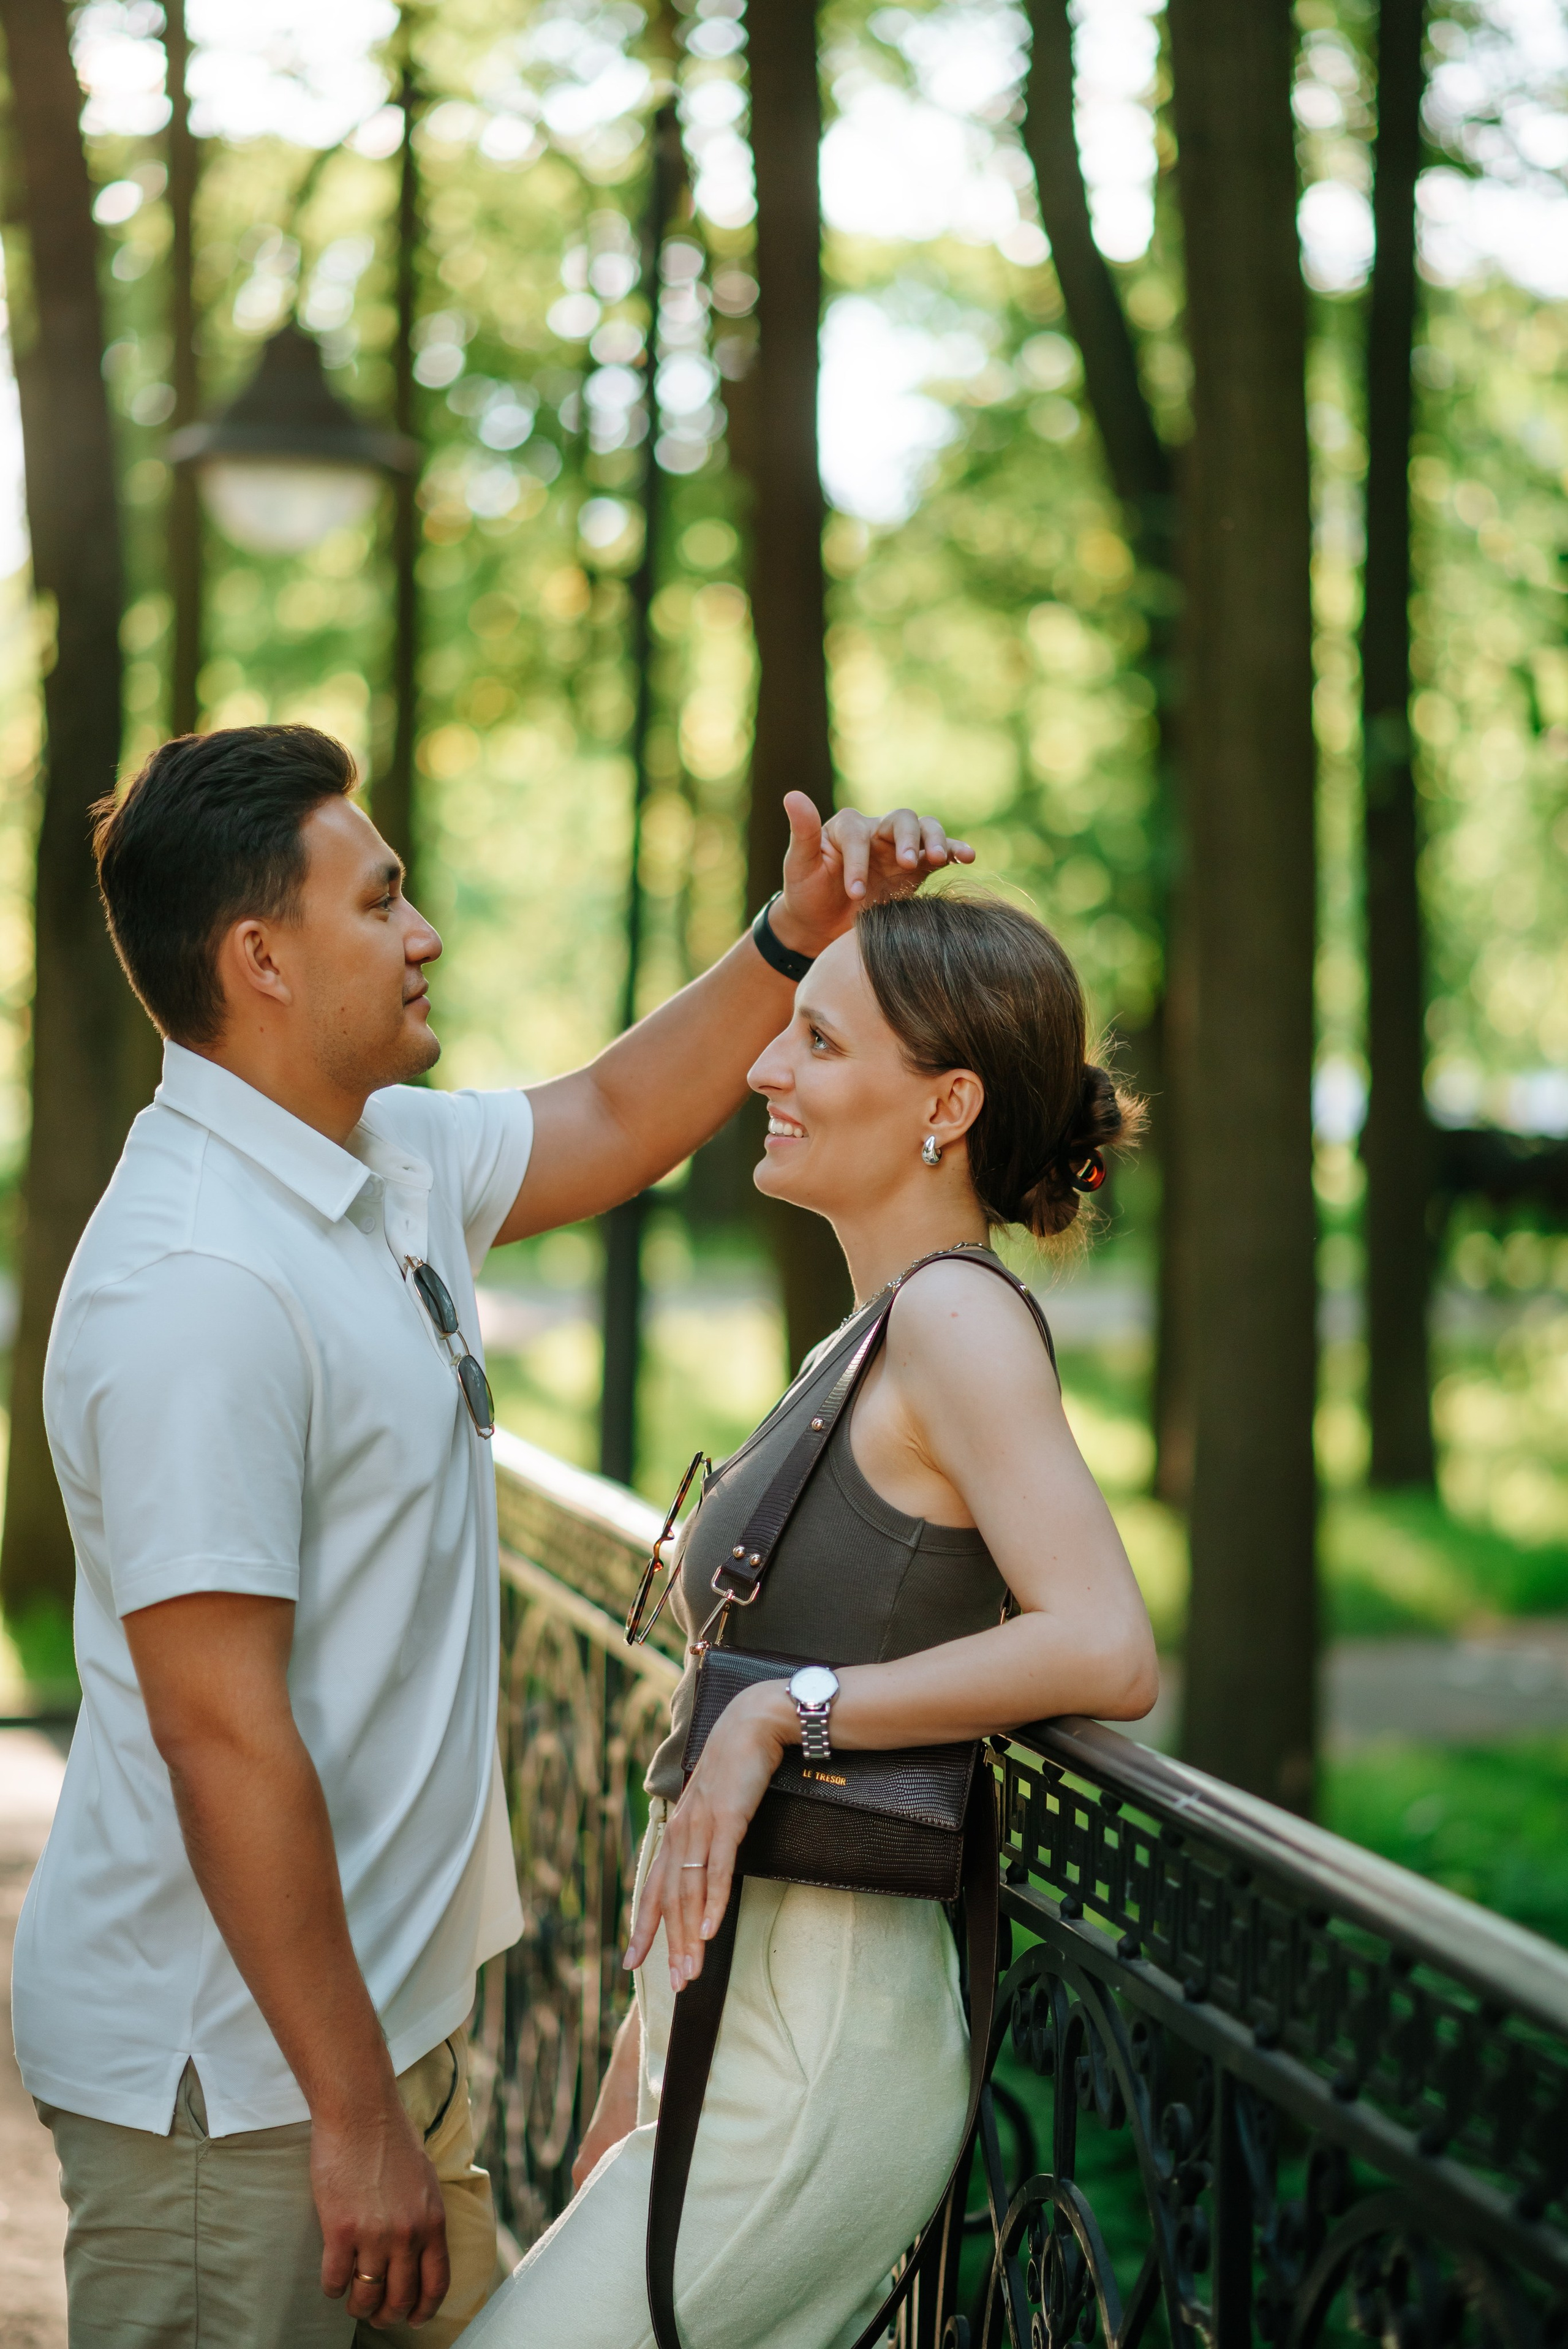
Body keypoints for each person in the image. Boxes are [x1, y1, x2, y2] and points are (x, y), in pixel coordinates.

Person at [10, 721, 971, 2349]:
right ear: (260, 956)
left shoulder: (376, 1161)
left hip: (376, 2053)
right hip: (236, 2099)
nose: (424, 930)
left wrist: (788, 936)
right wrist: (350, 2115)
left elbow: (612, 1105)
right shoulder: (197, 1282)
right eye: (380, 902)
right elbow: (221, 1732)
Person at [456, 889, 1160, 2349]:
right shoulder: (865, 1331)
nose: (764, 1070)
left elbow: (1102, 1642)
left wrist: (797, 1709)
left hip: (819, 2055)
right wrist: (632, 2079)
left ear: (944, 1104)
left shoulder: (955, 1321)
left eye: (817, 1040)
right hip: (730, 2031)